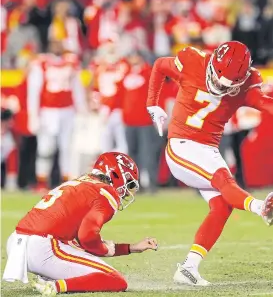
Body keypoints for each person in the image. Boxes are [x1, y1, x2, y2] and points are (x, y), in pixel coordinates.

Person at [147, 41, 273, 285]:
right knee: (224, 180)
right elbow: (159, 65)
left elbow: (267, 104)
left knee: (222, 206)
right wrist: (152, 103)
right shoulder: (193, 60)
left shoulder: (248, 81)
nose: (219, 86)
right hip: (181, 146)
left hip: (208, 149)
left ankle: (188, 268)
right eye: (217, 79)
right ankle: (259, 207)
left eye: (227, 85)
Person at [2, 152, 158, 295]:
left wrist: (131, 248)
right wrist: (105, 250)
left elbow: (81, 243)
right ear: (116, 174)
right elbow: (88, 238)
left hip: (17, 242)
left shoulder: (81, 182)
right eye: (129, 183)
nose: (128, 191)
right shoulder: (105, 192)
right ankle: (55, 286)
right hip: (42, 247)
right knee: (115, 280)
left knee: (74, 247)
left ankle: (49, 278)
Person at [27, 40, 87, 192]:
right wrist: (33, 115)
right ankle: (42, 180)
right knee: (45, 147)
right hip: (48, 111)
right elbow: (34, 91)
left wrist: (82, 110)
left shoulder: (71, 62)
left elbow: (78, 88)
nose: (57, 45)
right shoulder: (41, 63)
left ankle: (66, 180)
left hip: (67, 111)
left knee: (67, 147)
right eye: (54, 42)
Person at [122, 51, 161, 193]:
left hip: (144, 120)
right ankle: (134, 184)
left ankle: (151, 183)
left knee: (147, 153)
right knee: (132, 154)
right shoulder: (126, 73)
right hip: (129, 120)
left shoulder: (148, 72)